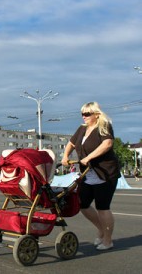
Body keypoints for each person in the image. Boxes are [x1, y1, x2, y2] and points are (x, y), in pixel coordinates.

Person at [61, 102, 120, 251]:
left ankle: (108, 240)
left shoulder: (104, 125)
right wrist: (65, 156)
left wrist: (88, 158)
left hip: (105, 173)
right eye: (82, 113)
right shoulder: (82, 129)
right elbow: (71, 143)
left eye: (87, 114)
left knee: (102, 206)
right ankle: (101, 229)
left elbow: (107, 144)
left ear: (96, 114)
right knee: (83, 203)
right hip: (88, 174)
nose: (84, 116)